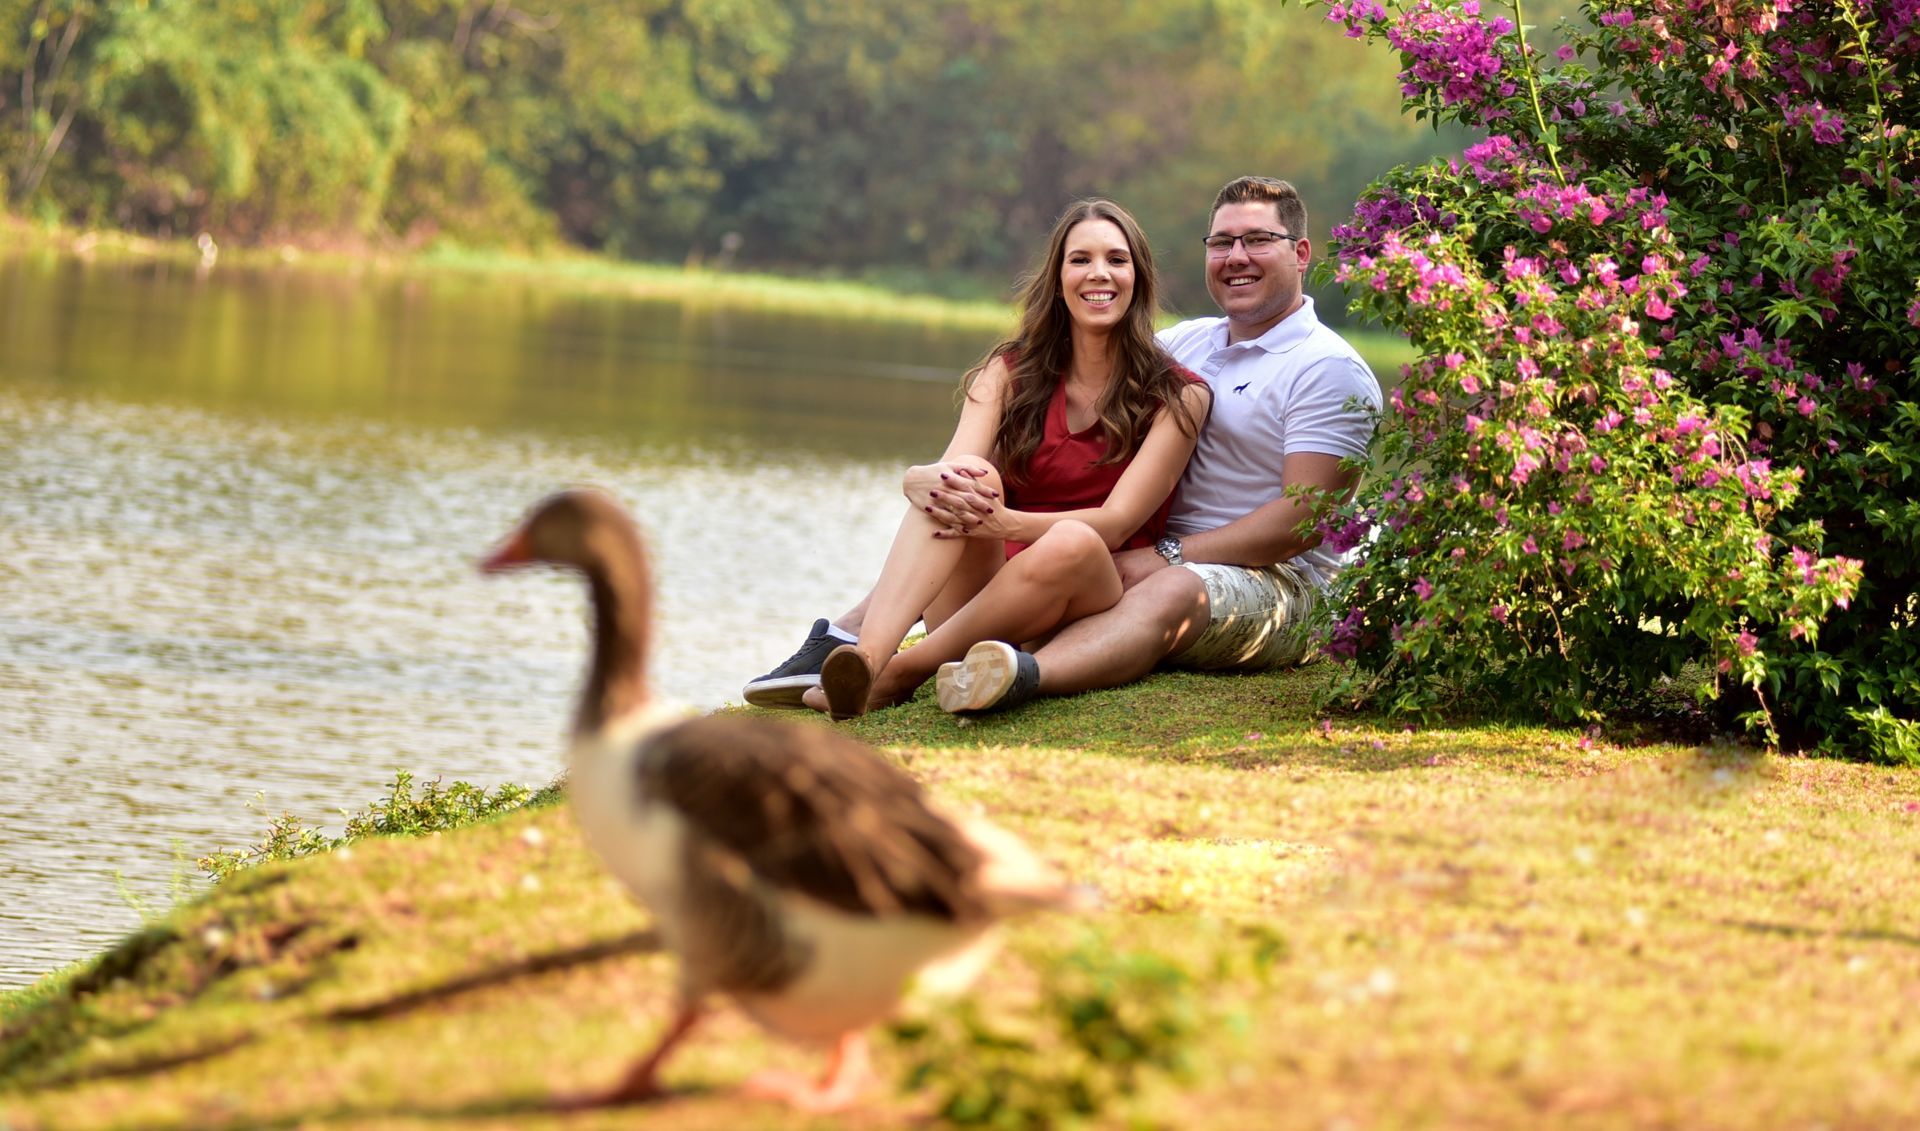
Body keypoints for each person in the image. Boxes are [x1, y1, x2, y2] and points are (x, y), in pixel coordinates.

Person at [744, 199, 1211, 719]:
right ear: (1057, 279)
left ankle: (904, 671)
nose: (1098, 273)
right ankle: (869, 658)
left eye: (1116, 260)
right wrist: (916, 478)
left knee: (1074, 540)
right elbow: (950, 473)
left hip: (1082, 594)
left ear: (1138, 278)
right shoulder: (1008, 371)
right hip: (976, 599)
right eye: (1080, 260)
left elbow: (1117, 522)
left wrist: (1006, 522)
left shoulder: (1179, 396)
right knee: (966, 476)